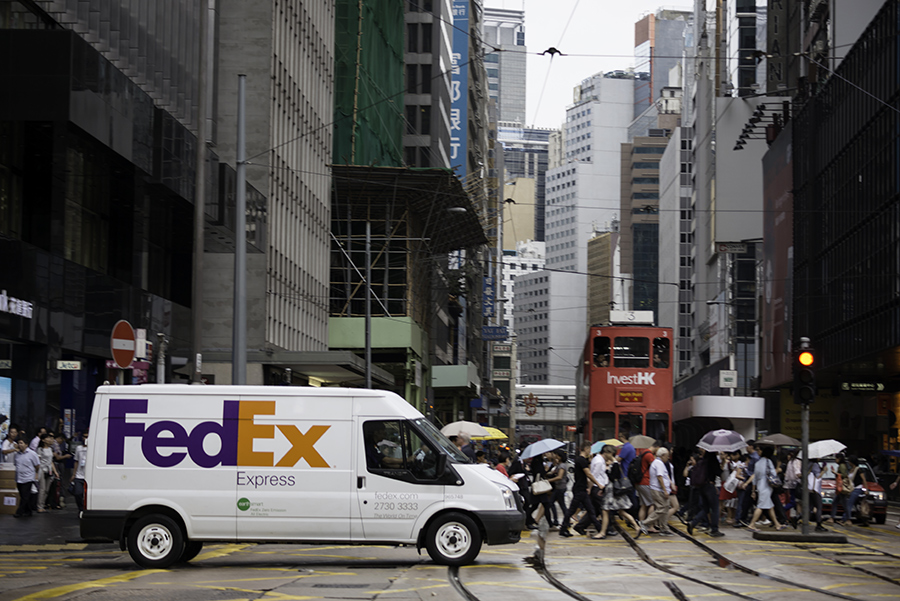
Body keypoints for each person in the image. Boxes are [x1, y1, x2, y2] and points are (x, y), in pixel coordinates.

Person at [596, 445, 642, 538]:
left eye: (606, 453)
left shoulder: (614, 464)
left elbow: (614, 478)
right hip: (614, 490)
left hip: (612, 491)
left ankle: (602, 533)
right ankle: (637, 527)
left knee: (605, 511)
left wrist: (607, 470)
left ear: (609, 453)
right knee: (621, 512)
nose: (604, 455)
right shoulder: (615, 463)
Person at [560, 442, 605, 539]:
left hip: (581, 489)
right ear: (586, 448)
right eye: (589, 449)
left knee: (591, 510)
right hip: (580, 489)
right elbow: (588, 474)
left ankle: (599, 529)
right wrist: (599, 484)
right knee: (573, 510)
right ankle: (563, 529)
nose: (590, 451)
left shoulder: (582, 460)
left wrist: (589, 460)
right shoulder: (581, 460)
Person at [687, 447, 725, 537]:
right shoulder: (713, 460)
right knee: (715, 508)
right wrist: (722, 463)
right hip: (710, 486)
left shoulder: (703, 460)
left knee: (706, 508)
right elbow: (718, 472)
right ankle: (714, 529)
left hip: (702, 487)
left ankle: (693, 523)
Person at [746, 446, 785, 531]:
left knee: (770, 506)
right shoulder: (768, 461)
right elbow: (773, 473)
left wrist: (753, 491)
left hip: (760, 486)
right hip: (766, 486)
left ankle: (777, 524)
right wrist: (778, 467)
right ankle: (752, 524)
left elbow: (755, 478)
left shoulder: (758, 463)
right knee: (760, 506)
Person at [644, 447, 674, 535]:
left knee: (665, 508)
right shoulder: (659, 463)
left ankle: (664, 527)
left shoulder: (657, 462)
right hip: (658, 489)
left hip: (658, 489)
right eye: (667, 456)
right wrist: (665, 490)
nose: (668, 458)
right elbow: (660, 477)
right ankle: (645, 522)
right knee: (662, 508)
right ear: (663, 455)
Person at [13, 439, 40, 518]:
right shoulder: (17, 454)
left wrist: (35, 474)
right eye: (18, 443)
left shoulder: (32, 454)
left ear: (26, 444)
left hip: (28, 478)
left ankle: (19, 512)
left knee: (25, 496)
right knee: (23, 495)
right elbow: (16, 464)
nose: (19, 445)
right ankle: (28, 511)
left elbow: (37, 465)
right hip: (19, 478)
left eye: (21, 443)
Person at [635, 440, 660, 523]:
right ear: (657, 447)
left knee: (643, 505)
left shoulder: (643, 452)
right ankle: (650, 525)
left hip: (639, 482)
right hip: (645, 481)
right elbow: (655, 468)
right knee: (652, 504)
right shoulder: (649, 455)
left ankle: (641, 523)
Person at [36, 433, 58, 512]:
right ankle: (39, 506)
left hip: (49, 470)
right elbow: (37, 461)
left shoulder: (50, 449)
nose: (49, 439)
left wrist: (55, 471)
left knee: (47, 489)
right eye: (47, 438)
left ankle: (43, 504)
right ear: (43, 440)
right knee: (42, 488)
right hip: (42, 470)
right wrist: (36, 472)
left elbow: (51, 461)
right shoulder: (40, 449)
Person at [841, 455, 867, 525]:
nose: (848, 462)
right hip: (851, 489)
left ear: (852, 462)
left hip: (857, 489)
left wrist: (866, 489)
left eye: (849, 461)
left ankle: (844, 519)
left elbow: (863, 479)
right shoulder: (850, 470)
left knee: (849, 504)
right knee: (850, 504)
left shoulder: (858, 469)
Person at [548, 451, 568, 529]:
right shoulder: (559, 465)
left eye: (557, 455)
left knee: (559, 504)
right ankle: (560, 520)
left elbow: (559, 477)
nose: (555, 456)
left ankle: (563, 521)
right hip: (558, 487)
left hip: (560, 487)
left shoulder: (562, 466)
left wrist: (549, 480)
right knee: (557, 503)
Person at [826, 453, 849, 523]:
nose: (835, 460)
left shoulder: (842, 466)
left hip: (841, 487)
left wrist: (835, 473)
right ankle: (832, 517)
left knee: (844, 504)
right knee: (836, 502)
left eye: (836, 458)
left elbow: (844, 475)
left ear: (839, 459)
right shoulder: (842, 465)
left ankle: (848, 518)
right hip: (840, 487)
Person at [71, 432, 88, 512]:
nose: (85, 439)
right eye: (84, 437)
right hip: (79, 475)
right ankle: (81, 509)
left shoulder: (93, 448)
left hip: (88, 475)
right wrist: (74, 474)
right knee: (78, 493)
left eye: (87, 437)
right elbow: (76, 461)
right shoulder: (79, 448)